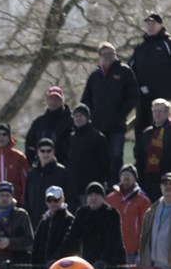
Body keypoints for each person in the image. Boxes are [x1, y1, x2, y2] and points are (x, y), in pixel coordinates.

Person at [80, 42, 140, 186]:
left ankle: (115, 187)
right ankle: (100, 186)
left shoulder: (124, 72)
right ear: (99, 57)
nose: (108, 57)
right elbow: (85, 99)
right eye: (105, 55)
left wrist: (121, 114)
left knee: (116, 157)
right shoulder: (95, 76)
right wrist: (91, 116)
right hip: (98, 126)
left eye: (111, 54)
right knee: (98, 158)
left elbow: (134, 95)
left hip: (117, 125)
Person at [129, 13, 171, 150]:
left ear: (161, 25)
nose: (150, 27)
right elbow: (130, 70)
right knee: (141, 134)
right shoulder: (141, 47)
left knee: (162, 136)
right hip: (142, 100)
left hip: (163, 101)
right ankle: (141, 164)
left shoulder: (167, 44)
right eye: (148, 24)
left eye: (153, 24)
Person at [23, 138, 78, 230]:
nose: (46, 154)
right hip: (35, 224)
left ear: (53, 152)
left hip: (57, 225)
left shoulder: (63, 173)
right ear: (38, 152)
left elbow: (72, 199)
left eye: (49, 151)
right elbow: (27, 200)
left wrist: (65, 221)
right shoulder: (32, 174)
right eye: (42, 151)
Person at [105, 164, 151, 266]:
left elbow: (148, 227)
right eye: (124, 174)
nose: (127, 176)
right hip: (112, 250)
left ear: (135, 178)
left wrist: (142, 249)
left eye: (130, 174)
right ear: (120, 177)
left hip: (133, 251)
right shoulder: (109, 198)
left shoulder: (143, 200)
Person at [66, 104, 110, 207]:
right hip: (73, 189)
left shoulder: (98, 138)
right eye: (76, 116)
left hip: (89, 190)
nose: (78, 118)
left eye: (81, 116)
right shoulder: (72, 137)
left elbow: (105, 165)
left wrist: (99, 184)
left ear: (87, 118)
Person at [24, 86, 75, 166]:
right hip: (41, 169)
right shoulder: (39, 122)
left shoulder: (70, 122)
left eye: (57, 99)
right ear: (46, 100)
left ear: (62, 101)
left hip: (62, 170)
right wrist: (31, 164)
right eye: (51, 98)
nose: (53, 102)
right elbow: (30, 145)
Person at [135, 98, 171, 203]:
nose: (157, 114)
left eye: (160, 111)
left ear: (168, 113)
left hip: (167, 182)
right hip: (149, 181)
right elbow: (139, 157)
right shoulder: (147, 133)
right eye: (155, 111)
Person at [138, 173, 171, 269]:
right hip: (154, 268)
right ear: (161, 187)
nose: (168, 186)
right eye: (165, 184)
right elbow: (144, 239)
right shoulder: (152, 211)